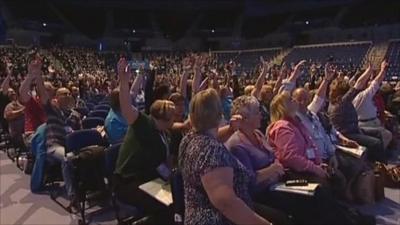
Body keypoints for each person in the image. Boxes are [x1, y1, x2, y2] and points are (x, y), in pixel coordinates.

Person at [226, 95, 373, 225]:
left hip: (279, 181)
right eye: (257, 112)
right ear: (244, 118)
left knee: (319, 192)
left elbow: (276, 156)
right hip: (264, 193)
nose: (261, 115)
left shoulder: (257, 134)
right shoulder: (237, 145)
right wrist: (272, 169)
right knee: (315, 196)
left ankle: (352, 219)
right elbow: (247, 182)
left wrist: (276, 166)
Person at [179, 88, 291, 225]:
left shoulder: (190, 139)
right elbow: (226, 203)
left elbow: (211, 135)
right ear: (219, 115)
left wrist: (231, 129)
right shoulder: (211, 151)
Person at [113, 58, 176, 224]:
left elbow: (161, 164)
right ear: (165, 118)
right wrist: (124, 80)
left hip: (150, 180)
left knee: (176, 197)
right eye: (173, 117)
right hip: (128, 183)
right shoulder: (143, 124)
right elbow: (126, 107)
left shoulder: (164, 133)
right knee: (167, 205)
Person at [30, 58, 81, 209]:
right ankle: (73, 196)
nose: (67, 95)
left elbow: (78, 133)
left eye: (68, 93)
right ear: (56, 98)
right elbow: (43, 93)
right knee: (67, 158)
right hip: (54, 146)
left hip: (70, 145)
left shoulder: (74, 114)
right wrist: (38, 74)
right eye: (63, 94)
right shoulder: (53, 110)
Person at [328, 64, 385, 162]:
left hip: (354, 129)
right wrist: (369, 70)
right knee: (375, 143)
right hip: (347, 134)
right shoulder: (342, 102)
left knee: (378, 133)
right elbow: (358, 84)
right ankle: (379, 164)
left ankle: (375, 160)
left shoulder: (338, 100)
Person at [352, 61, 392, 150]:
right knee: (387, 135)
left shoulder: (356, 95)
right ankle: (380, 156)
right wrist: (382, 70)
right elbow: (376, 83)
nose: (370, 80)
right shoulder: (363, 95)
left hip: (372, 121)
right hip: (367, 124)